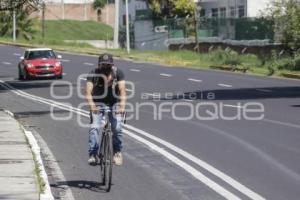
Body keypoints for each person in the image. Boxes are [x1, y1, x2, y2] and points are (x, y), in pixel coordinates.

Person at [85, 53, 126, 166]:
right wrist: (92, 106)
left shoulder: (118, 73)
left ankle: (117, 152)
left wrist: (122, 106)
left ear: (112, 65)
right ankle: (93, 154)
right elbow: (88, 92)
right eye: (103, 65)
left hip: (114, 104)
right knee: (94, 127)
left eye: (108, 65)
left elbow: (122, 90)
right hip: (98, 104)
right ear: (99, 65)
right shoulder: (93, 74)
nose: (106, 67)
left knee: (117, 127)